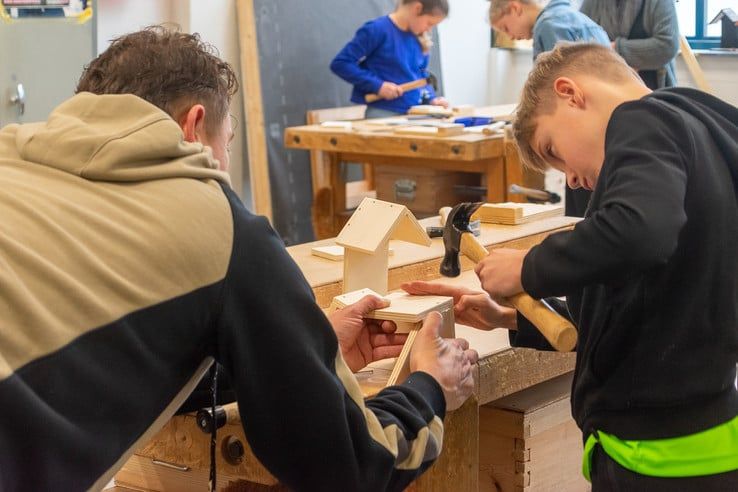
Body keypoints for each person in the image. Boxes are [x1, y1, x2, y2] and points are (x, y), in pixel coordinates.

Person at [0, 26, 478, 491]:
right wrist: (428, 387)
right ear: (193, 126)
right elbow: (348, 464)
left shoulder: (13, 164)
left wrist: (300, 354)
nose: (224, 167)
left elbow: (115, 350)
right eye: (226, 145)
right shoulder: (221, 228)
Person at [405, 43, 738, 490]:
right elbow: (652, 304)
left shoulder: (644, 119)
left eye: (553, 150)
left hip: (653, 457)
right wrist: (512, 317)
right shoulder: (706, 129)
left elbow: (641, 232)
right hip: (699, 441)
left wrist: (528, 267)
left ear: (571, 94)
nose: (573, 178)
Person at [489, 0, 610, 217]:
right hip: (601, 130)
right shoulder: (573, 16)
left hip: (580, 137)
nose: (512, 36)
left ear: (515, 8)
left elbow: (551, 89)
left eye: (506, 28)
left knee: (581, 213)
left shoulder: (547, 25)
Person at [330, 0, 449, 118]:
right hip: (384, 114)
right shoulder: (377, 29)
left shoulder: (419, 39)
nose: (429, 30)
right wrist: (378, 85)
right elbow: (341, 63)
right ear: (417, 8)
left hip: (414, 114)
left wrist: (432, 100)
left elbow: (420, 78)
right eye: (429, 23)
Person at [580, 0, 680, 90]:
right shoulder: (593, 3)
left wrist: (615, 49)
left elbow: (668, 45)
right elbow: (579, 45)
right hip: (605, 88)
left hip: (653, 90)